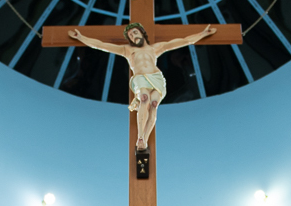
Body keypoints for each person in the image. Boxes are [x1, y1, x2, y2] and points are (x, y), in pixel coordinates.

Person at [69, 22, 216, 152]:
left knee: (153, 105)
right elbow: (101, 45)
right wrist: (81, 38)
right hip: (140, 78)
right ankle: (140, 138)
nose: (133, 36)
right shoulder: (127, 50)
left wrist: (203, 34)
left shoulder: (156, 48)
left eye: (135, 32)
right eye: (130, 35)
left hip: (156, 79)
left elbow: (184, 41)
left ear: (141, 33)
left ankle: (145, 138)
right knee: (144, 99)